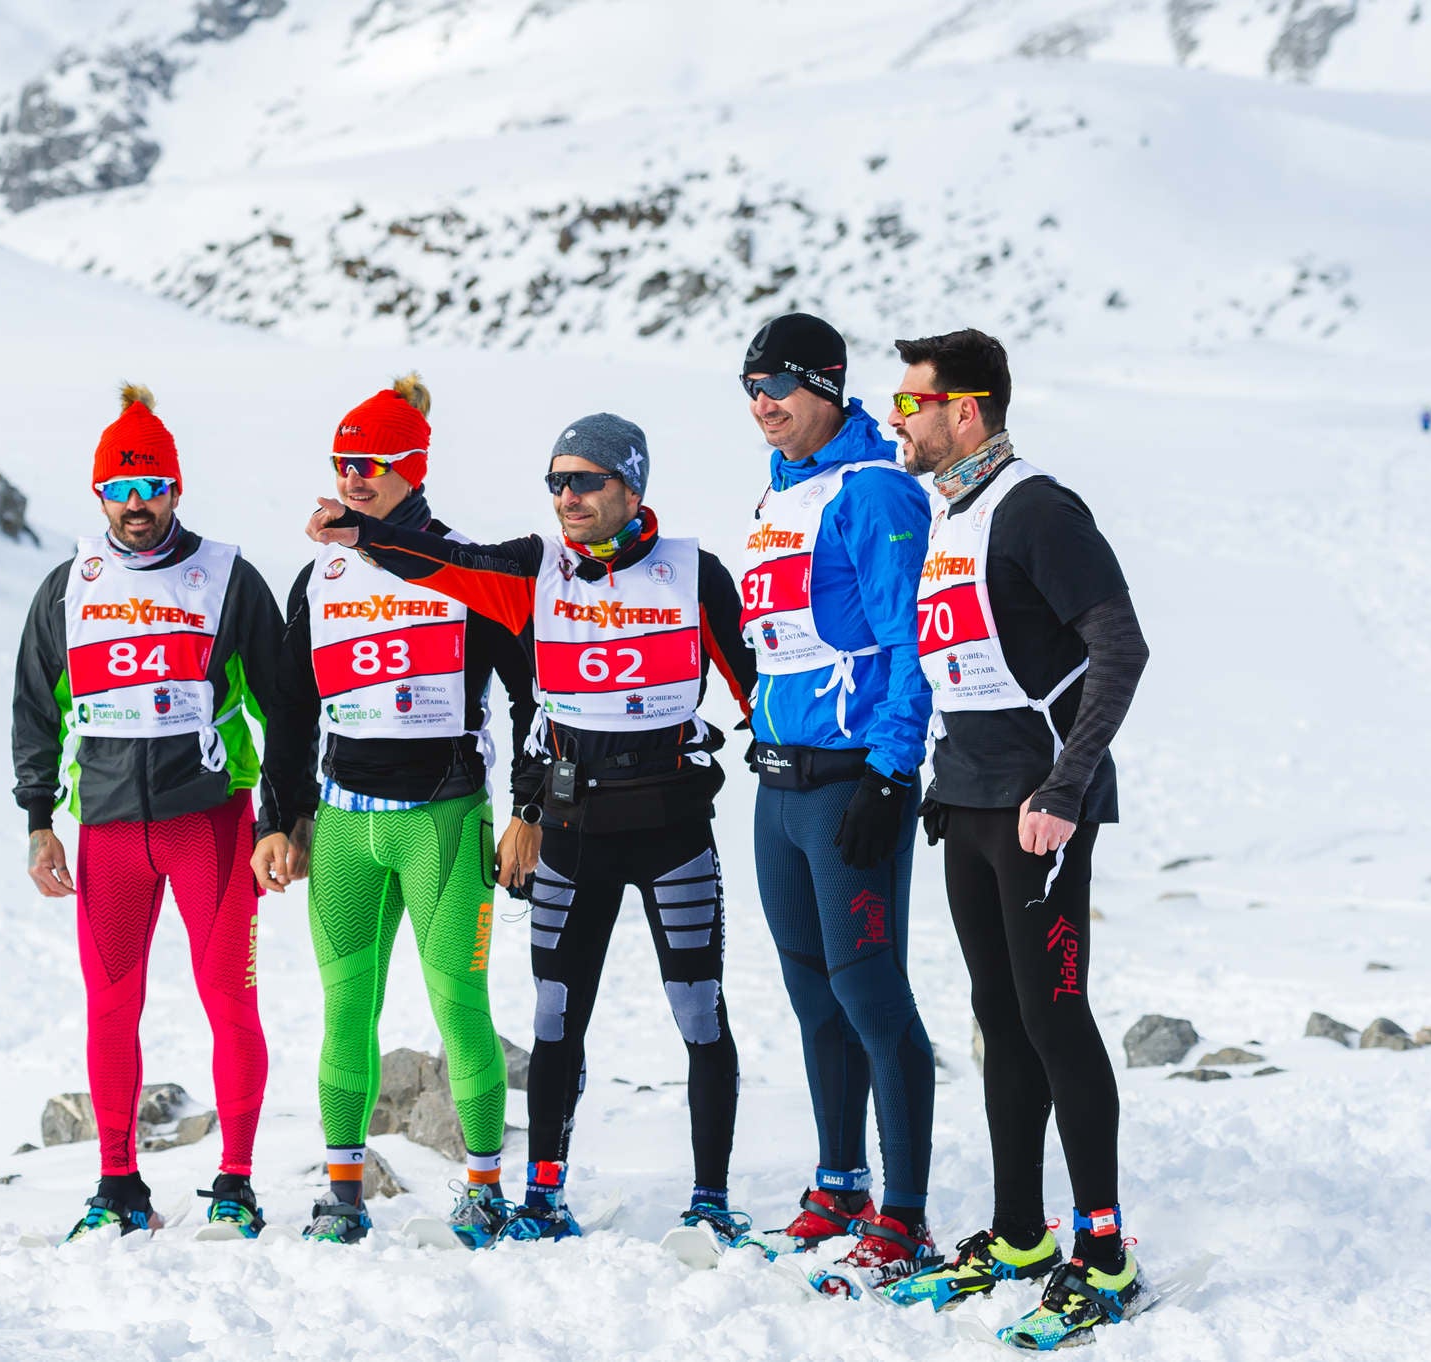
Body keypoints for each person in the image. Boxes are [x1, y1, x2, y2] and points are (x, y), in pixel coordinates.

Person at [305, 412, 757, 1246]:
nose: (567, 496)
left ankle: (713, 1200)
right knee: (555, 1017)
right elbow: (443, 561)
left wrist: (800, 759)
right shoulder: (531, 567)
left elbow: (757, 683)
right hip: (576, 826)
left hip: (672, 830)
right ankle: (543, 1195)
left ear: (632, 485)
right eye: (556, 481)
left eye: (585, 480)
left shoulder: (695, 573)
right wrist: (362, 533)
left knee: (699, 1011)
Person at [885, 330, 1152, 1349]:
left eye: (910, 401)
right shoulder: (950, 512)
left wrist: (1065, 784)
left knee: (1054, 1017)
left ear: (966, 407)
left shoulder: (1036, 506)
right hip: (969, 804)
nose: (897, 417)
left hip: (1039, 810)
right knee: (998, 1018)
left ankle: (1103, 1249)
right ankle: (1016, 1234)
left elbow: (1118, 646)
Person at [250, 374, 537, 1247]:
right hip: (343, 825)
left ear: (412, 468)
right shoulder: (321, 573)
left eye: (371, 463)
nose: (353, 478)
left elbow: (532, 693)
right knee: (345, 1008)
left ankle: (484, 1187)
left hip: (443, 822)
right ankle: (343, 1191)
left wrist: (527, 808)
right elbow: (293, 708)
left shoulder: (465, 568)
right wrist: (279, 816)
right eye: (342, 464)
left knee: (460, 1004)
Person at [11, 385, 299, 1242]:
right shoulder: (69, 587)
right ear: (99, 495)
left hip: (208, 824)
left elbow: (288, 706)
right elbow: (36, 710)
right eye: (121, 490)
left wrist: (284, 819)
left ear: (178, 489)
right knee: (110, 1007)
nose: (138, 506)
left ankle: (236, 1184)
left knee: (229, 1003)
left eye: (154, 487)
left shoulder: (228, 580)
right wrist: (38, 819)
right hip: (105, 833)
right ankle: (118, 1186)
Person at [732, 313, 940, 1295]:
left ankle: (903, 1215)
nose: (761, 405)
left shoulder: (873, 492)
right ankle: (839, 1184)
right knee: (811, 995)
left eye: (776, 385)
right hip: (778, 787)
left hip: (851, 783)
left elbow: (909, 641)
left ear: (824, 386)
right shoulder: (781, 496)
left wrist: (893, 771)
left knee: (870, 995)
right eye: (749, 390)